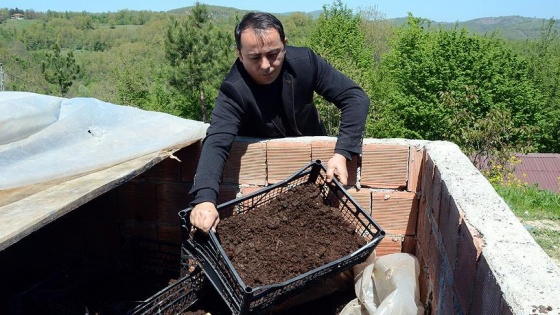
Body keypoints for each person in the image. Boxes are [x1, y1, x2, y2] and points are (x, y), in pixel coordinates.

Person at [189, 12, 370, 233]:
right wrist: (205, 199)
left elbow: (355, 97)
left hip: (316, 173)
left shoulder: (305, 63)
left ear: (284, 45)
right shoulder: (233, 90)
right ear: (239, 54)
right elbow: (217, 141)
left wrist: (342, 153)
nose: (266, 65)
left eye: (273, 54)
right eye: (254, 57)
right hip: (266, 184)